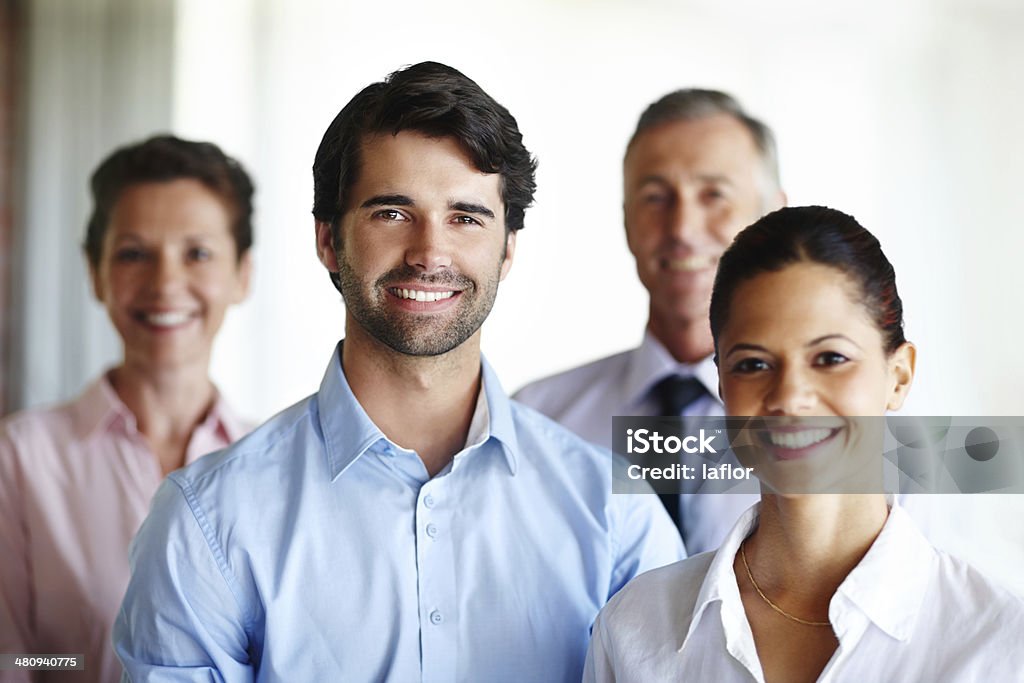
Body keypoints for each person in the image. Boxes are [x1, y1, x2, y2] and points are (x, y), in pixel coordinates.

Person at [113, 62, 683, 682]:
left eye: (465, 217)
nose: (429, 253)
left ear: (508, 247)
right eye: (391, 212)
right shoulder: (206, 521)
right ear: (329, 241)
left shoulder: (614, 516)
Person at [583, 206, 1024, 682]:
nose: (790, 397)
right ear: (723, 384)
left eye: (830, 357)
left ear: (899, 376)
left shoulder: (999, 644)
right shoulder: (634, 629)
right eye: (753, 364)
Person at [0, 135, 255, 683]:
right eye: (134, 253)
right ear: (95, 272)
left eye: (198, 253)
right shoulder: (20, 459)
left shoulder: (274, 464)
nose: (165, 284)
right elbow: (10, 662)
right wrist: (74, 668)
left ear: (242, 275)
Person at [515, 89, 786, 553]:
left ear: (774, 216)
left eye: (714, 194)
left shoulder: (861, 431)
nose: (681, 229)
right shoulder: (535, 421)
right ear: (626, 223)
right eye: (655, 197)